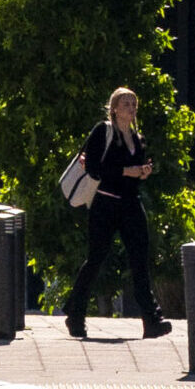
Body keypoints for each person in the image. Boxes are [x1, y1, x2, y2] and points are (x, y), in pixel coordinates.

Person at [66, 88, 167, 340]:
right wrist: (126, 171)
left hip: (131, 204)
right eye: (126, 104)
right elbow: (93, 168)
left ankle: (151, 319)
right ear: (114, 109)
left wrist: (143, 172)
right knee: (96, 258)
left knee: (140, 260)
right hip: (105, 204)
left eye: (134, 104)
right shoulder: (103, 131)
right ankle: (75, 314)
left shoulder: (138, 139)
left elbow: (135, 175)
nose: (131, 108)